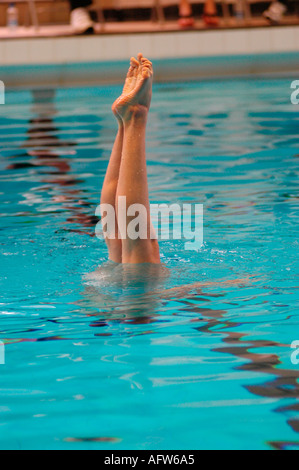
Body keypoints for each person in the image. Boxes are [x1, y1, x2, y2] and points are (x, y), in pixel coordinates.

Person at [100, 53, 160, 264]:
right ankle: (124, 125)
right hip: (103, 284)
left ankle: (134, 117)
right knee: (116, 243)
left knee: (143, 248)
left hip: (131, 294)